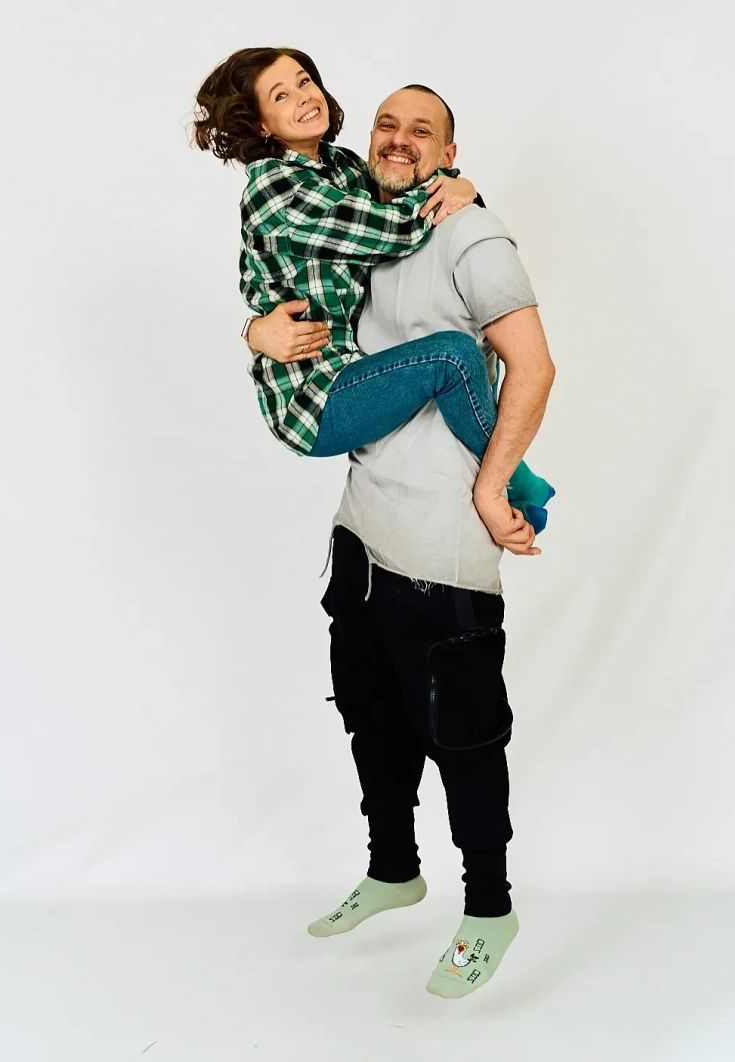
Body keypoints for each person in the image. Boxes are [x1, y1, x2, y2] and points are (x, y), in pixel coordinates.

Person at [248, 85, 556, 998]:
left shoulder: (471, 232)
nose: (399, 139)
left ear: (450, 152)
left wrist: (495, 485)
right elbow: (284, 277)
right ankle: (393, 871)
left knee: (465, 736)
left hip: (442, 542)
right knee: (371, 713)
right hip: (362, 531)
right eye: (388, 123)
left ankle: (489, 910)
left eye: (423, 131)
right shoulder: (362, 222)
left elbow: (535, 366)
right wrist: (255, 329)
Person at [193, 47, 554, 529]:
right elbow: (393, 226)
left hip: (352, 370)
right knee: (452, 357)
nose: (303, 97)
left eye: (304, 81)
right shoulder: (275, 189)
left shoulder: (339, 166)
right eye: (281, 96)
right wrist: (252, 330)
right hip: (314, 400)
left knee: (452, 356)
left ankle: (509, 475)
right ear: (261, 124)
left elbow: (404, 182)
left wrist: (462, 187)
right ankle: (510, 479)